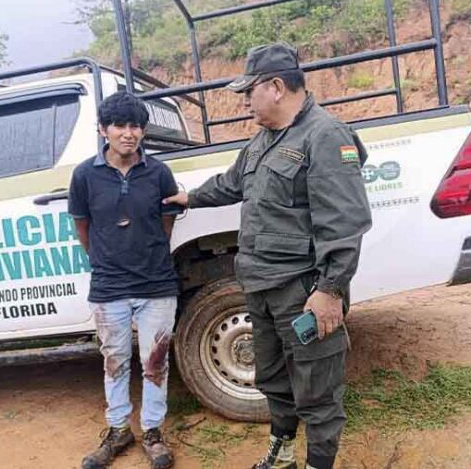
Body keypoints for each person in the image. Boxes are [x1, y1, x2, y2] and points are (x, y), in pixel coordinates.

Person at [164, 42, 372, 469]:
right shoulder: (262, 140)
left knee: (317, 390)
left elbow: (344, 222)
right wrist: (189, 197)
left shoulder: (325, 135)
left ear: (276, 87)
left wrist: (330, 290)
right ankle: (283, 455)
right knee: (274, 379)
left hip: (302, 290)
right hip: (260, 285)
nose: (244, 101)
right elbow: (231, 184)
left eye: (249, 91)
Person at [69, 91, 181, 469]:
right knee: (114, 361)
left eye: (135, 126)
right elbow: (83, 225)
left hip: (156, 284)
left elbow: (166, 220)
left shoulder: (159, 173)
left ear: (143, 131)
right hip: (109, 286)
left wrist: (148, 253)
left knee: (155, 362)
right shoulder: (84, 176)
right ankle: (118, 430)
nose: (128, 133)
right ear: (103, 130)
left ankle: (152, 432)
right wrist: (105, 260)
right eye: (119, 125)